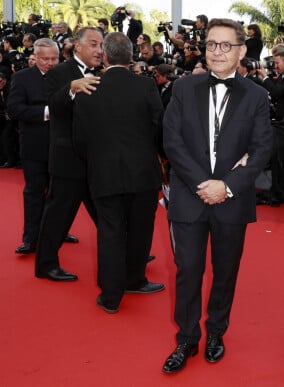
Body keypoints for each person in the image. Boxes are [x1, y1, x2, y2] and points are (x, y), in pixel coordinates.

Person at [161, 18, 272, 374]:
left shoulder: (256, 95)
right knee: (188, 270)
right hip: (189, 196)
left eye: (226, 45)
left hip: (232, 199)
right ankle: (187, 337)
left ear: (242, 51)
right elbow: (171, 142)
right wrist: (203, 184)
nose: (218, 51)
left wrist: (226, 185)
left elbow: (261, 148)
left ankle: (216, 333)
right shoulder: (183, 88)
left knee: (225, 272)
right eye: (211, 44)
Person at [72, 32, 165, 313]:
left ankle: (111, 296)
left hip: (104, 173)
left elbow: (80, 140)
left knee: (110, 232)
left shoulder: (88, 89)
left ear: (107, 56)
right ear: (131, 57)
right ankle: (134, 280)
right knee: (140, 229)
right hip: (143, 174)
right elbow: (160, 127)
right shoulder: (146, 86)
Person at [34, 27, 103, 282]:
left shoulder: (102, 74)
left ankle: (127, 253)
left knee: (107, 213)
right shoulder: (60, 73)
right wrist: (72, 89)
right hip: (67, 160)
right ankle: (46, 265)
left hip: (96, 160)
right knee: (58, 215)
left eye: (101, 45)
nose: (99, 50)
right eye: (94, 44)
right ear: (78, 46)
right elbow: (53, 105)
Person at [6, 38, 62, 255]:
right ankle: (31, 238)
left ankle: (58, 231)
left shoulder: (66, 75)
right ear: (35, 58)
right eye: (45, 59)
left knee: (59, 195)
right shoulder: (21, 78)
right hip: (34, 146)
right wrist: (47, 112)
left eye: (54, 58)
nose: (50, 63)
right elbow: (14, 109)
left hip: (63, 146)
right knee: (34, 192)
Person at [256, 50, 284, 206]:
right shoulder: (283, 77)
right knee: (277, 161)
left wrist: (266, 78)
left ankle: (281, 193)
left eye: (277, 63)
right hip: (279, 125)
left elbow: (277, 91)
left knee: (283, 161)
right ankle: (276, 191)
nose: (275, 66)